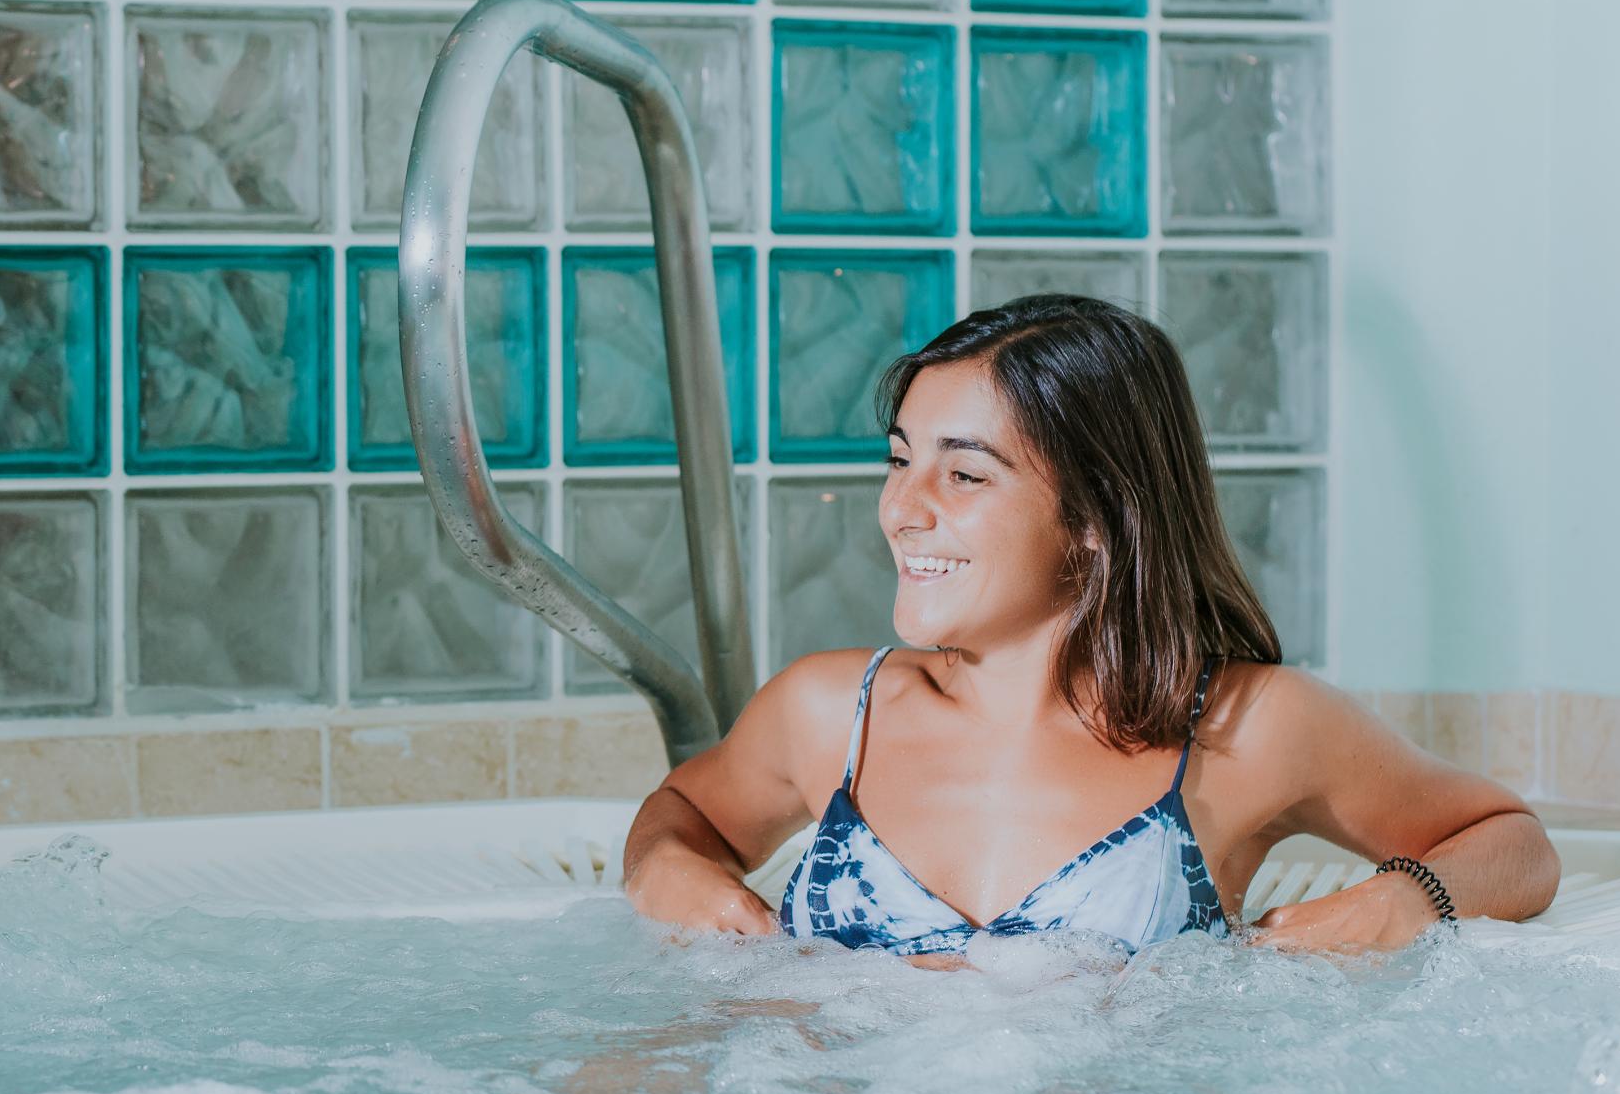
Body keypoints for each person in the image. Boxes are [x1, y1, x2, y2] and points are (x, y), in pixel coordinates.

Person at [624, 296, 1559, 957]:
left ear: (1095, 520)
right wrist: (664, 866)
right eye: (900, 461)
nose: (902, 509)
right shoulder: (832, 713)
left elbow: (1511, 843)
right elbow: (686, 815)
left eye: (965, 475)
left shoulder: (1246, 730)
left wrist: (1405, 903)